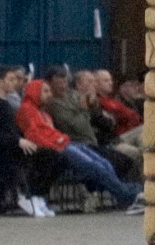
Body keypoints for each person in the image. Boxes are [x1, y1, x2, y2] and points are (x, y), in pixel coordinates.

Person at [19, 75, 142, 212]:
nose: (49, 94)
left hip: (65, 142)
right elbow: (34, 135)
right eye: (45, 91)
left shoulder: (43, 112)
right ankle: (128, 194)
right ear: (34, 92)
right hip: (57, 146)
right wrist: (57, 142)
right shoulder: (26, 110)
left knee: (103, 163)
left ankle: (126, 192)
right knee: (94, 166)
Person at [0, 65, 57, 217]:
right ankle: (25, 196)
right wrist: (17, 141)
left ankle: (37, 194)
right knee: (34, 158)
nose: (14, 83)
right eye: (11, 79)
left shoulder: (7, 103)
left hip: (13, 144)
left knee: (52, 155)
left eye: (15, 79)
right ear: (0, 82)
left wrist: (27, 139)